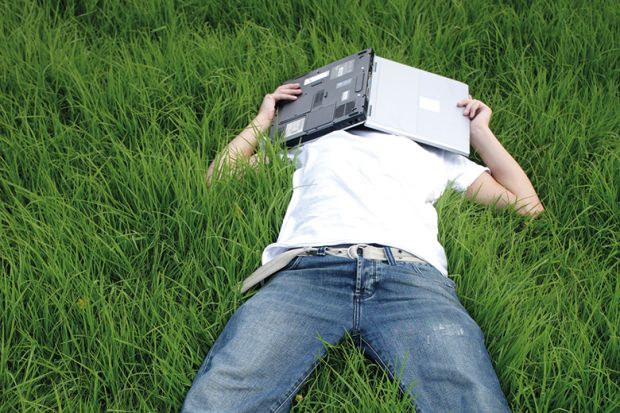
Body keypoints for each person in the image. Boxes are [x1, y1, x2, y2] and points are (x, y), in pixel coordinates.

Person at [182, 81, 544, 413]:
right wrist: (262, 121)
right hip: (309, 272)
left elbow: (526, 206)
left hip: (411, 279)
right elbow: (219, 178)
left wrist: (479, 133)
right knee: (228, 391)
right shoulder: (316, 141)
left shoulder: (433, 152)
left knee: (468, 397)